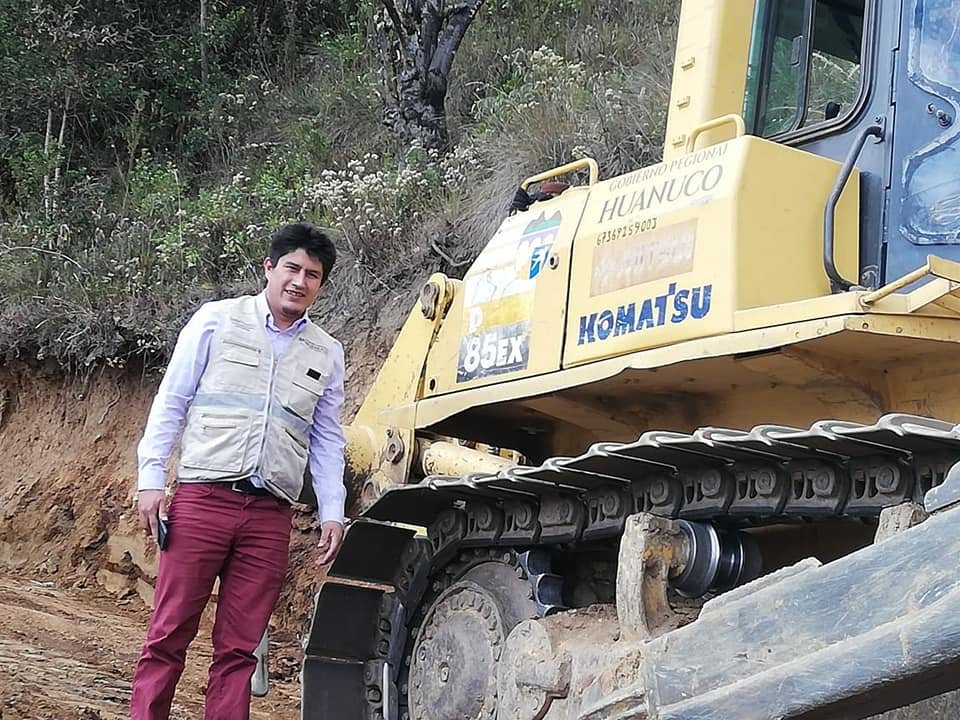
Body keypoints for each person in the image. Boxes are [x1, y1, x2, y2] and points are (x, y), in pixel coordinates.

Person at [129, 222, 347, 720]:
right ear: (268, 268)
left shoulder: (327, 353)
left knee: (239, 651)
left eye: (312, 274)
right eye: (291, 268)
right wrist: (151, 479)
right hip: (203, 500)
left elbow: (328, 438)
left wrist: (333, 511)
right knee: (169, 633)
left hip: (270, 516)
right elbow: (172, 402)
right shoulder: (216, 321)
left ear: (321, 284)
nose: (299, 281)